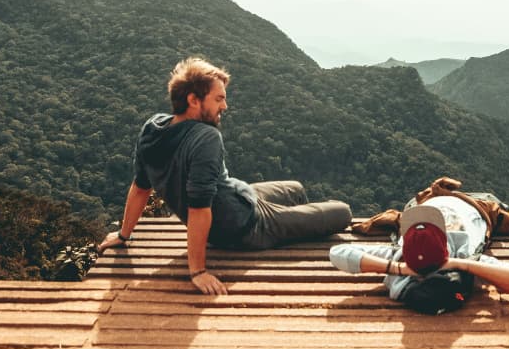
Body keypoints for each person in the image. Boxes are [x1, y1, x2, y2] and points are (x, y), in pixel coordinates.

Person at [98, 57, 352, 295]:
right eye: (218, 99)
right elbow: (198, 207)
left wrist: (124, 234)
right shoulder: (205, 137)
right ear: (194, 100)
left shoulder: (152, 128)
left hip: (239, 197)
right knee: (342, 212)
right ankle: (293, 226)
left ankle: (298, 222)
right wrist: (197, 271)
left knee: (295, 188)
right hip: (244, 226)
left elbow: (140, 187)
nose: (225, 106)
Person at [329, 184, 509, 307]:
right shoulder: (463, 257)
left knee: (425, 195)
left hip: (422, 203)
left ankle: (437, 190)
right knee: (490, 199)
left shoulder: (399, 257)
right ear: (445, 244)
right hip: (475, 204)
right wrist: (459, 264)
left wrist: (397, 267)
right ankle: (442, 190)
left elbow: (337, 253)